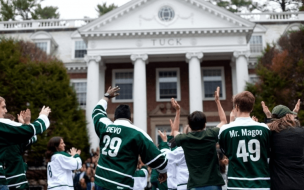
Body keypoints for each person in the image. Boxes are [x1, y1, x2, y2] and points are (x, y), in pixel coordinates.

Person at [92, 86, 167, 190]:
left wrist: (106, 96)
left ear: (114, 118)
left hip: (100, 180)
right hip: (120, 183)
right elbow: (160, 160)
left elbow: (97, 111)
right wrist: (163, 171)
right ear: (130, 118)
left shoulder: (106, 126)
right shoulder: (137, 133)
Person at [171, 87, 227, 190]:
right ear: (205, 124)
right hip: (214, 184)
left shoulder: (184, 138)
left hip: (195, 186)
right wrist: (217, 101)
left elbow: (174, 130)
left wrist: (178, 111)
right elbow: (223, 121)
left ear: (189, 125)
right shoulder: (211, 134)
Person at [218, 91, 271, 190]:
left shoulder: (225, 130)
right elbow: (268, 152)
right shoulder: (264, 129)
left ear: (236, 107)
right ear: (252, 108)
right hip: (261, 183)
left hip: (236, 183)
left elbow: (226, 152)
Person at [0, 96, 51, 186]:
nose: (6, 110)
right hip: (15, 179)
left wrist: (24, 125)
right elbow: (30, 132)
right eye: (3, 107)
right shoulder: (3, 127)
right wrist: (43, 116)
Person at [262, 100, 304, 190]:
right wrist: (295, 115)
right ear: (288, 116)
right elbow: (295, 128)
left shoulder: (270, 135)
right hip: (300, 182)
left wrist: (269, 118)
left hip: (278, 183)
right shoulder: (300, 133)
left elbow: (268, 129)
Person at [4, 112, 37, 189]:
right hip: (17, 180)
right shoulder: (14, 141)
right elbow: (33, 138)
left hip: (3, 180)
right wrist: (25, 123)